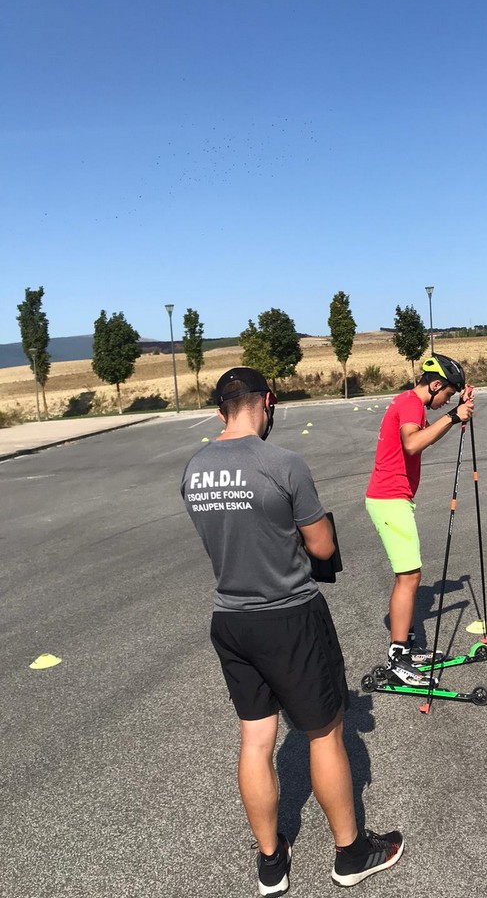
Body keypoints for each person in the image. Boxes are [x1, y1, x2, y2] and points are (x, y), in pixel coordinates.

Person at [181, 368, 403, 896]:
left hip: (231, 618)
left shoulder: (194, 470)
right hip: (289, 614)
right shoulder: (282, 464)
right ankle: (351, 853)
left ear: (220, 411)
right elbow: (322, 547)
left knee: (256, 740)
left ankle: (271, 863)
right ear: (268, 402)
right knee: (324, 732)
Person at [366, 354, 474, 687]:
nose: (445, 402)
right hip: (389, 499)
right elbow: (413, 445)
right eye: (447, 394)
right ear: (436, 384)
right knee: (409, 576)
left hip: (393, 499)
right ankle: (397, 656)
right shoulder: (412, 403)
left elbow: (420, 440)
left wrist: (455, 411)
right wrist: (454, 416)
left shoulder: (408, 402)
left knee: (410, 575)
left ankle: (405, 646)